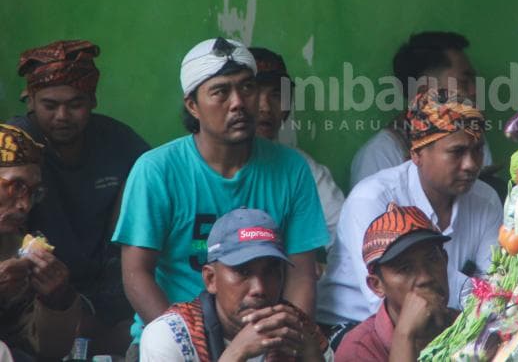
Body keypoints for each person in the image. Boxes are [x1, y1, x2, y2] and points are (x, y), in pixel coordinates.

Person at [112, 37, 328, 357]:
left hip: (264, 335)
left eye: (247, 88)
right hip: (172, 337)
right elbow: (136, 274)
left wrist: (280, 342)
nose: (238, 102)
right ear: (192, 105)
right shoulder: (157, 170)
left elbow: (301, 275)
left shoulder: (291, 168)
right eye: (221, 91)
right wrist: (185, 341)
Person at [8, 39, 150, 355]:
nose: (62, 115)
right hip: (34, 280)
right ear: (31, 100)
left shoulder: (117, 141)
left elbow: (154, 184)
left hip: (106, 278)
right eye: (49, 105)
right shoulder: (14, 145)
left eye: (75, 104)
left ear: (93, 100)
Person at [317, 88, 502, 328]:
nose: (471, 164)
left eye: (477, 150)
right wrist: (479, 296)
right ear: (416, 154)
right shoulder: (373, 199)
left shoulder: (485, 198)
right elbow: (389, 305)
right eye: (457, 152)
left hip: (447, 323)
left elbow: (497, 287)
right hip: (355, 326)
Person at [140, 208, 330, 361]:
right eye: (243, 272)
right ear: (210, 279)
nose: (259, 289)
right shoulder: (170, 335)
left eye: (271, 271)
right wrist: (236, 354)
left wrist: (313, 355)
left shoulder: (298, 328)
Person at [350, 31, 495, 187]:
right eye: (464, 82)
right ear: (423, 91)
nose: (474, 91)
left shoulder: (472, 138)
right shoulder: (379, 155)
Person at [336, 203, 457, 361]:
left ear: (445, 260)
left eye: (433, 259)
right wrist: (404, 336)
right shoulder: (359, 348)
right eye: (405, 269)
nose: (425, 277)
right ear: (377, 285)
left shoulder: (468, 324)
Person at [249, 47, 344, 247]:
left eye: (276, 95)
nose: (265, 107)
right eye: (255, 93)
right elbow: (195, 246)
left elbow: (343, 234)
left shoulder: (301, 167)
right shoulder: (207, 163)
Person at [0, 124, 81, 359]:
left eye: (33, 192)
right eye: (16, 187)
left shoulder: (14, 247)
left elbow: (47, 353)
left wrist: (56, 300)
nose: (25, 205)